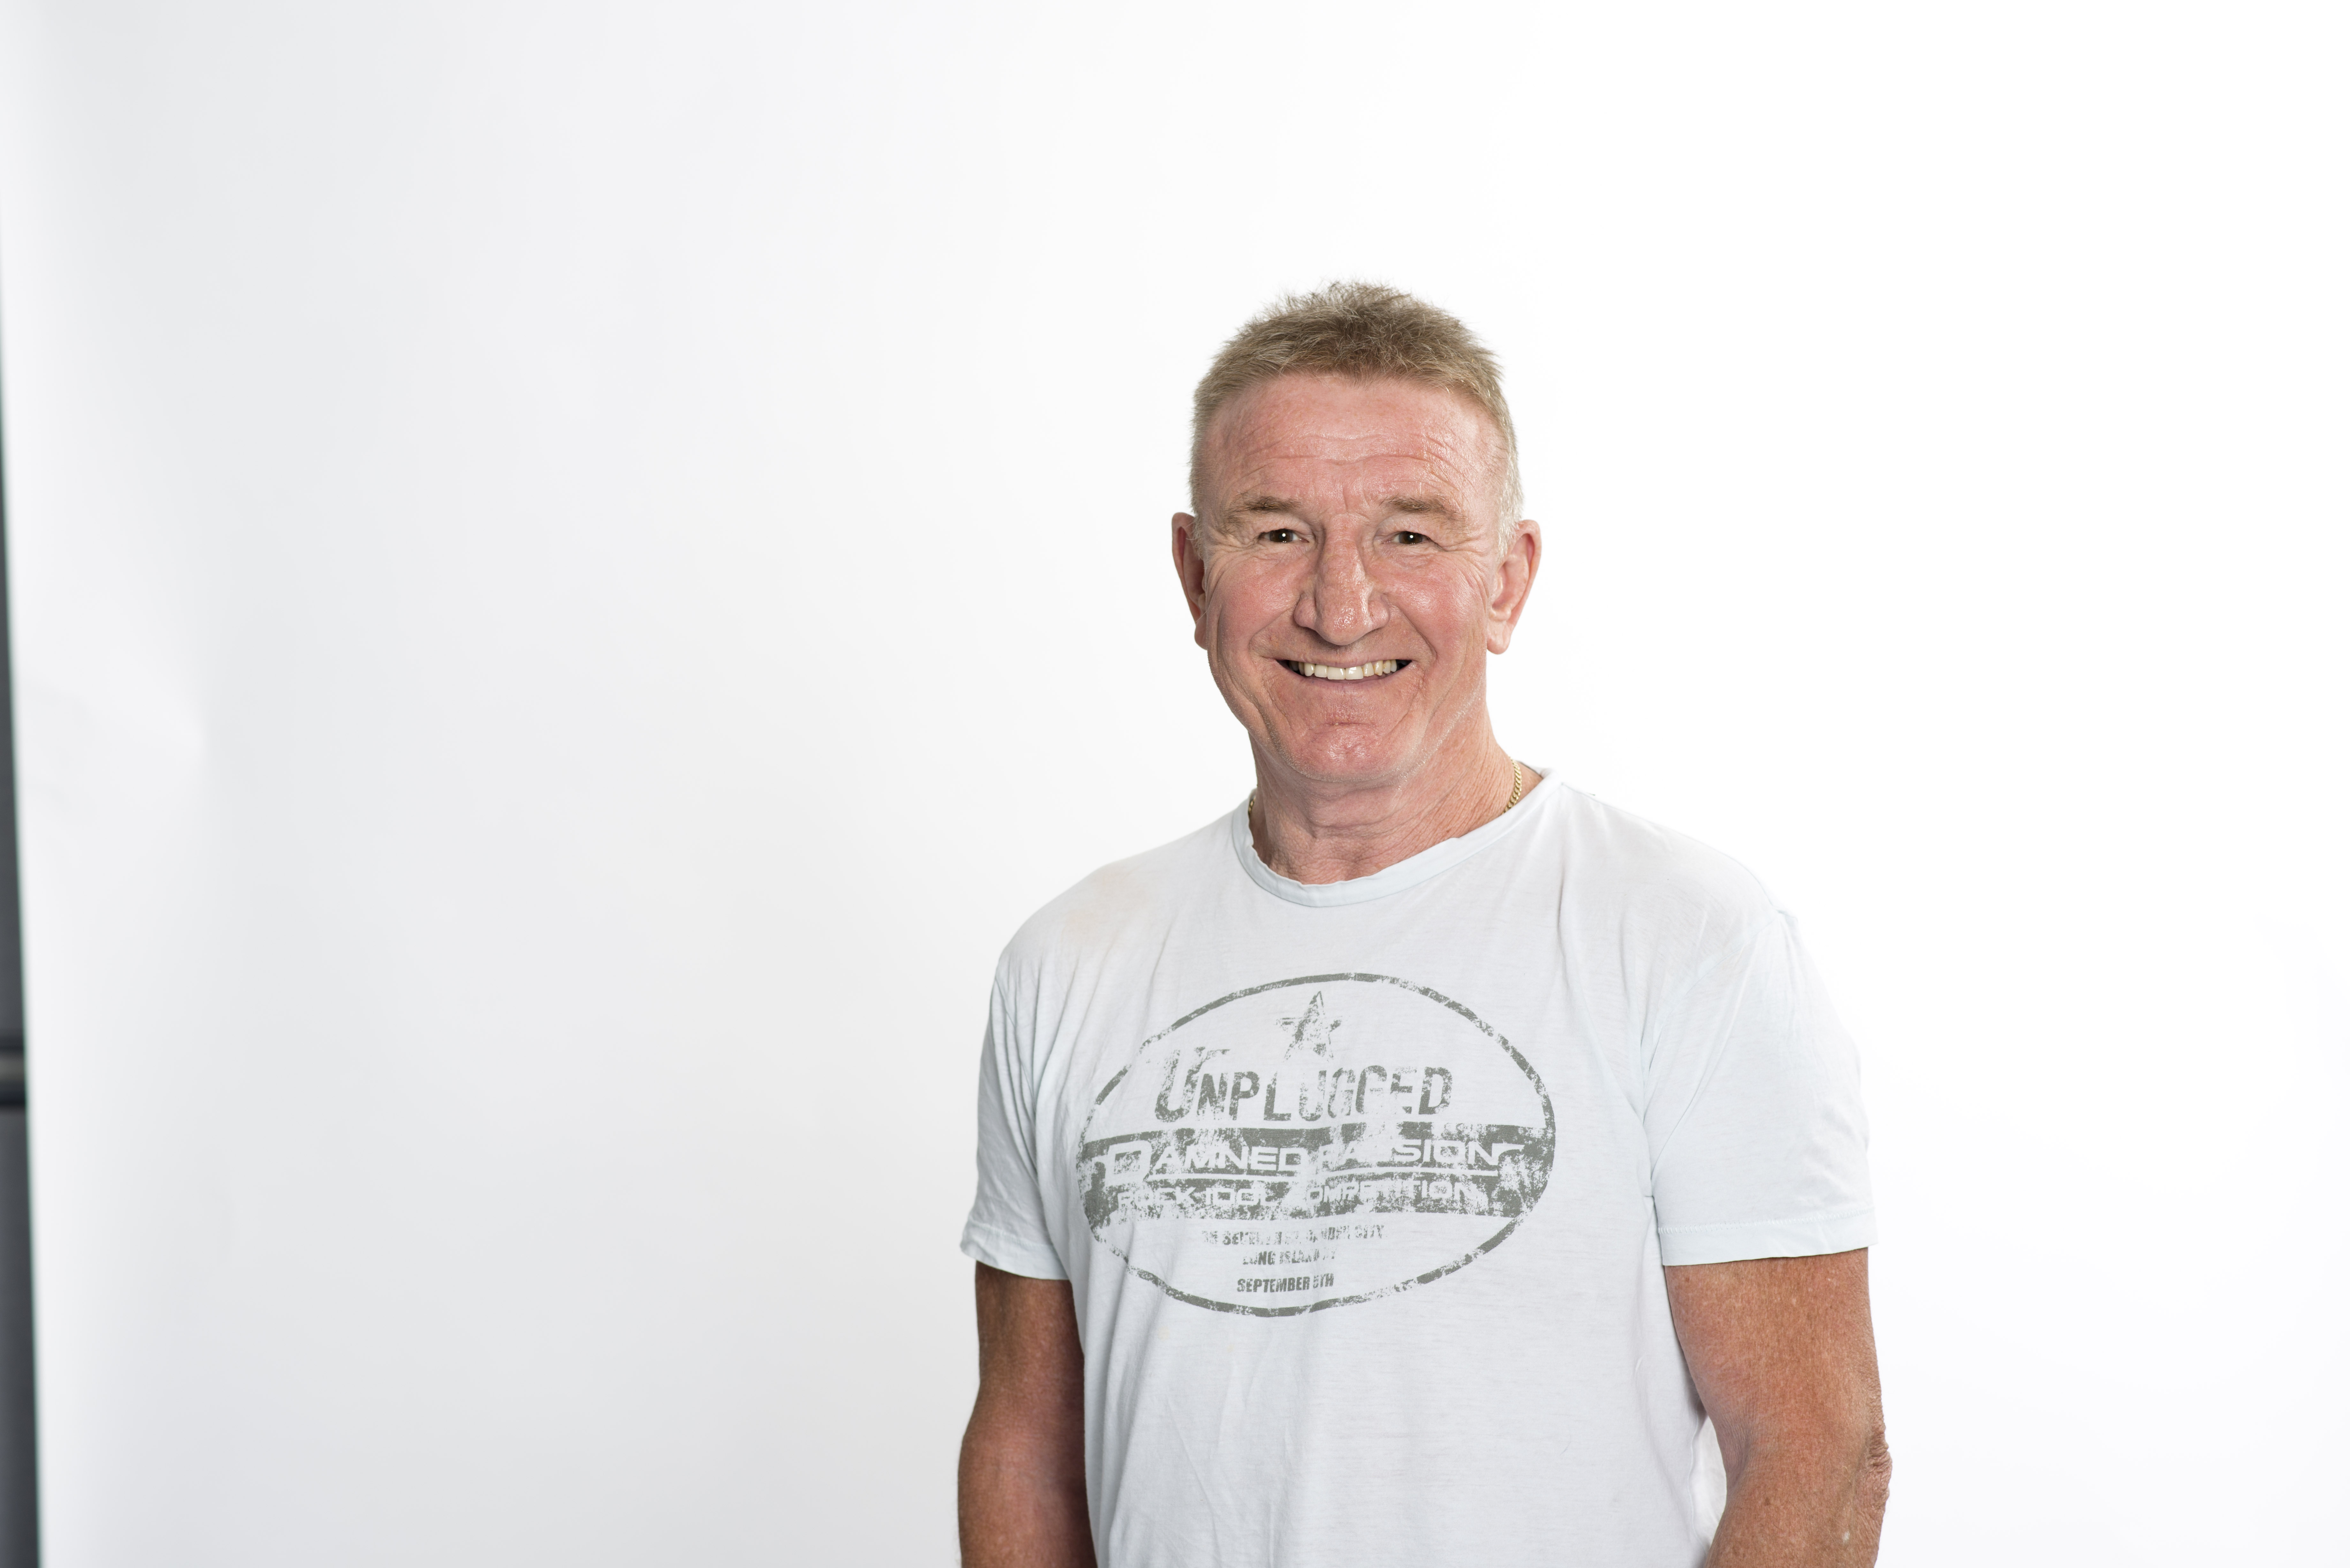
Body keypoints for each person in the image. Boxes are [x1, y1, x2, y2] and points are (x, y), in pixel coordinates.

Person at [957, 283, 1888, 1567]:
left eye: (1410, 535)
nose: (1341, 605)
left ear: (1507, 581)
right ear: (1194, 573)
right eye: (1277, 531)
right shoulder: (1069, 963)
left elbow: (1819, 1451)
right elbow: (1023, 1447)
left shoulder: (1686, 941)